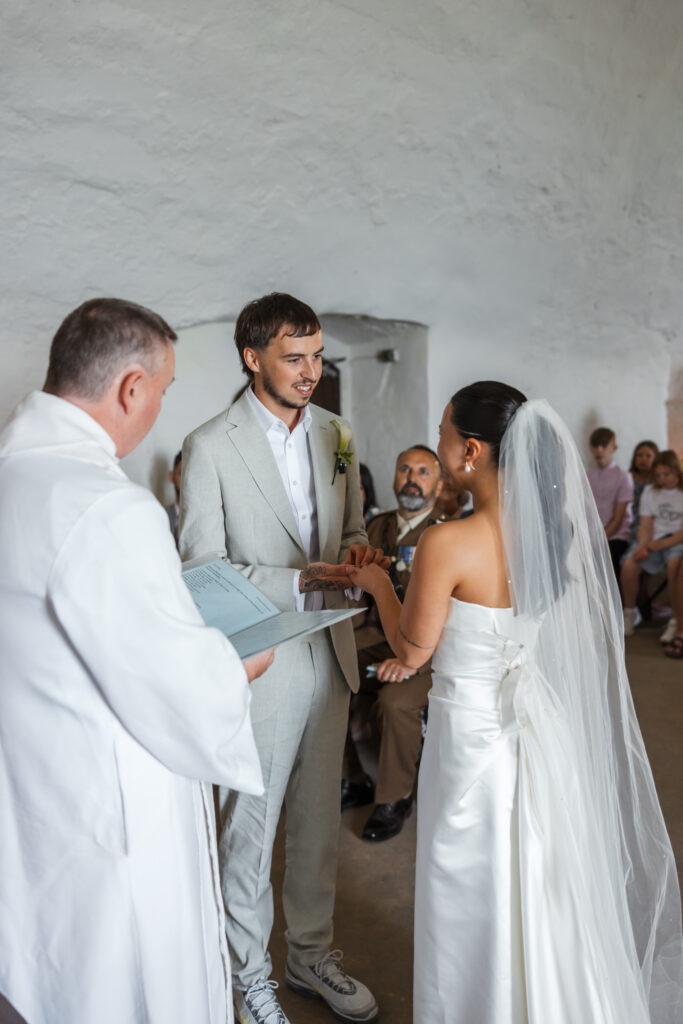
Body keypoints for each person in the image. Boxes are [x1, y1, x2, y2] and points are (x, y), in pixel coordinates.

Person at [349, 381, 683, 1024]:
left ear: (471, 451)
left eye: (443, 431)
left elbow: (412, 650)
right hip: (536, 727)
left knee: (467, 881)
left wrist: (372, 581)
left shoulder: (449, 542)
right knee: (539, 874)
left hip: (472, 730)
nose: (439, 440)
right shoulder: (551, 536)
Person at [0, 298, 271, 1024]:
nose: (158, 408)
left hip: (30, 791)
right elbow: (178, 690)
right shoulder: (108, 508)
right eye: (163, 390)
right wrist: (236, 667)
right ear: (130, 388)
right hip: (110, 811)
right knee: (127, 981)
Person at [179, 293, 385, 1024]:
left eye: (317, 356)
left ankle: (309, 955)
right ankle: (247, 977)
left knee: (314, 821)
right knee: (249, 827)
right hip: (262, 656)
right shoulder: (209, 445)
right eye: (293, 358)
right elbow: (202, 569)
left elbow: (352, 522)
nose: (310, 371)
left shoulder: (336, 432)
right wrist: (302, 578)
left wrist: (355, 549)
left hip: (327, 645)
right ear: (251, 357)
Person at [343, 445, 448, 842]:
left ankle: (394, 797)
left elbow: (451, 616)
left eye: (423, 472)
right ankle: (351, 779)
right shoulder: (378, 526)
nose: (412, 478)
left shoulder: (445, 533)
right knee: (325, 674)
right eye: (405, 469)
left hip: (431, 652)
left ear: (438, 485)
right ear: (393, 478)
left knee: (396, 701)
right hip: (377, 636)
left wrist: (414, 663)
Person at [621, 450, 683, 640]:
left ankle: (676, 619)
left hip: (675, 541)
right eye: (658, 475)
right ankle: (630, 612)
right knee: (630, 565)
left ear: (676, 472)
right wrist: (642, 546)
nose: (662, 479)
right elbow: (645, 524)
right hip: (654, 540)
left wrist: (662, 544)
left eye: (667, 474)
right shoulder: (650, 491)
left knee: (674, 565)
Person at [587, 426, 633, 582]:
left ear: (614, 448)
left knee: (608, 556)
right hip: (590, 533)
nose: (599, 450)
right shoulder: (587, 476)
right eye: (595, 445)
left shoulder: (623, 477)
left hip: (616, 534)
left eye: (604, 445)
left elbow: (619, 518)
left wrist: (600, 539)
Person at [166, 448, 182, 544]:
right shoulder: (162, 516)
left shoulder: (210, 519)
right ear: (172, 476)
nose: (187, 480)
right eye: (181, 473)